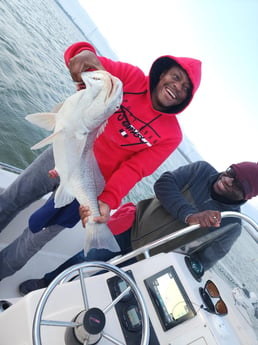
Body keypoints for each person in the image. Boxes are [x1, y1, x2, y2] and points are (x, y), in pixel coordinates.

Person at [0, 41, 201, 278]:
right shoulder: (130, 78)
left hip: (90, 185)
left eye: (185, 87)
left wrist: (107, 200)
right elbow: (90, 65)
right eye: (175, 77)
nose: (177, 86)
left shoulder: (171, 135)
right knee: (14, 196)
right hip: (66, 150)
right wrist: (83, 53)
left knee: (38, 234)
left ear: (187, 98)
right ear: (163, 72)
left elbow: (136, 169)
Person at [18, 160, 258, 295]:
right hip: (131, 225)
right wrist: (190, 216)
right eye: (230, 172)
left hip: (149, 259)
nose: (228, 181)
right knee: (84, 259)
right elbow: (164, 184)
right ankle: (46, 283)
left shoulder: (231, 225)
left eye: (238, 185)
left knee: (102, 282)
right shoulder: (202, 170)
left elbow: (202, 262)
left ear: (244, 197)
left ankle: (60, 297)